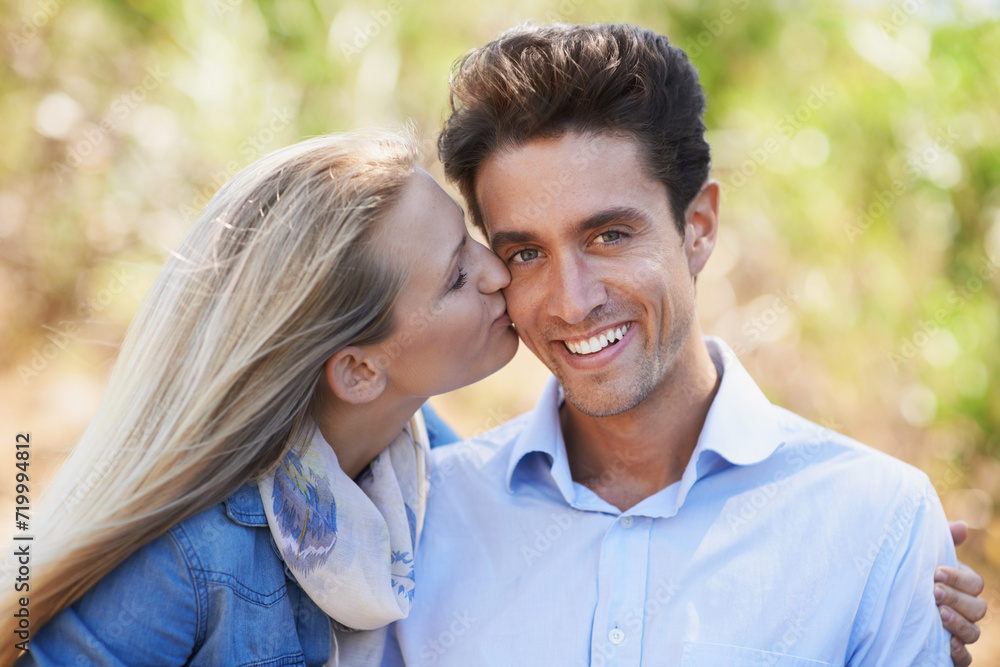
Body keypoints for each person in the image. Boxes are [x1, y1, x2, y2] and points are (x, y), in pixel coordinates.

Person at [385, 23, 988, 666]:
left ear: (697, 228)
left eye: (609, 236)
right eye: (526, 253)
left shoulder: (877, 523)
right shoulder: (417, 524)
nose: (572, 301)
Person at [1, 130, 519, 665]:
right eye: (457, 276)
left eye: (468, 237)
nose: (498, 271)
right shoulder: (180, 561)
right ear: (360, 371)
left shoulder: (423, 457)